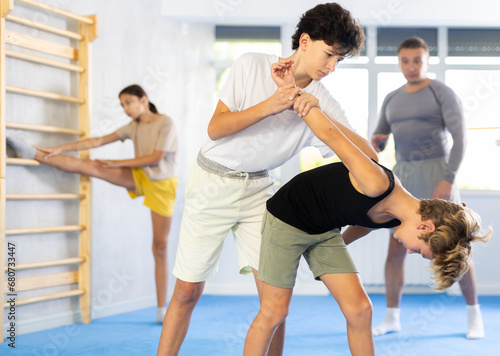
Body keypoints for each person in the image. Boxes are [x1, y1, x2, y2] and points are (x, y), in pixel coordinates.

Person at [156, 3, 365, 355]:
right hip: (212, 182)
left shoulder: (322, 99)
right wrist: (273, 103)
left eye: (339, 60)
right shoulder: (251, 64)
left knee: (274, 302)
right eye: (329, 54)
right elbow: (216, 128)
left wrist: (309, 106)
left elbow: (366, 156)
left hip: (260, 191)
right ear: (304, 40)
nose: (331, 67)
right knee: (187, 291)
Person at [243, 61, 491, 355]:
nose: (411, 252)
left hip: (323, 230)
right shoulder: (376, 183)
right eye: (419, 251)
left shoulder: (395, 216)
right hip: (287, 218)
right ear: (425, 227)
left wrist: (334, 250)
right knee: (275, 311)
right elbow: (333, 137)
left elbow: (361, 222)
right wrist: (295, 94)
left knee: (361, 309)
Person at [6, 84, 178, 324]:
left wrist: (118, 163)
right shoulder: (132, 126)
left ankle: (162, 308)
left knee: (159, 246)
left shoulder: (165, 123)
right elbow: (96, 142)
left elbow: (156, 158)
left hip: (162, 184)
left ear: (144, 99)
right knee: (93, 165)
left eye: (129, 102)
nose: (126, 108)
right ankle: (35, 153)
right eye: (122, 105)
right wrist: (60, 148)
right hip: (138, 175)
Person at [370, 36, 484, 339]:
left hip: (438, 175)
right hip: (403, 176)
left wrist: (448, 177)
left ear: (427, 60)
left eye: (417, 60)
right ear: (399, 62)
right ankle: (392, 317)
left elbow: (461, 139)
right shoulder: (392, 98)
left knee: (456, 248)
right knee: (395, 249)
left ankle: (475, 317)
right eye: (405, 61)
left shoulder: (441, 93)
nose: (411, 66)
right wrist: (377, 141)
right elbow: (380, 134)